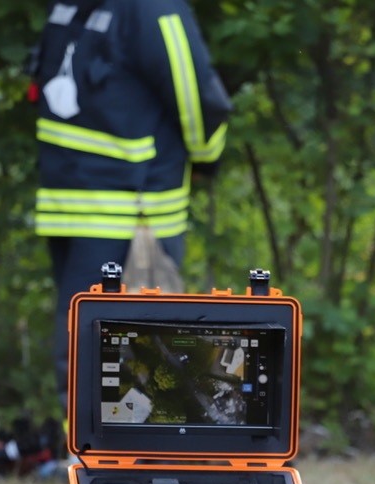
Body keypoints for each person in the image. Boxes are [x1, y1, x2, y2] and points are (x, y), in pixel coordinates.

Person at [30, 0, 232, 413]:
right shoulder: (155, 8)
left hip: (69, 201)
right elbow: (197, 99)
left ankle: (93, 454)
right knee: (133, 345)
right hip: (129, 207)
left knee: (85, 340)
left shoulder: (71, 6)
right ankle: (113, 457)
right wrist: (207, 158)